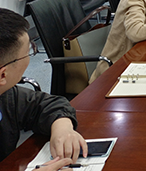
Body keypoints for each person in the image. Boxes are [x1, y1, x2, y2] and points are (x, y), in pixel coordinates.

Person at [0, 9, 87, 162]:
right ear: (3, 75)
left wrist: (62, 128)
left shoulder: (6, 94)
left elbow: (45, 104)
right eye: (29, 51)